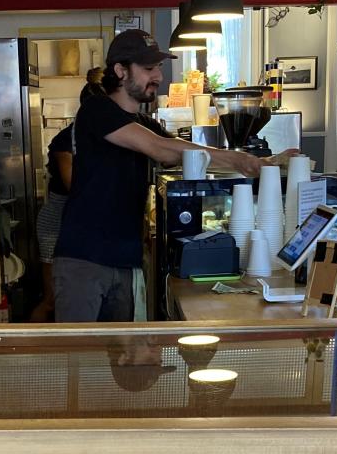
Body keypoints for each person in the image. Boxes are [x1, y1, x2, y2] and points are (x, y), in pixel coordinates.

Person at [53, 29, 294, 323]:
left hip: (127, 260)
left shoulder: (143, 122)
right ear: (120, 71)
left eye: (159, 67)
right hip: (84, 260)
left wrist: (261, 162)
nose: (158, 76)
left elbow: (188, 153)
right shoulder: (96, 109)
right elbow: (163, 150)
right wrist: (242, 161)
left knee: (128, 360)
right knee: (80, 358)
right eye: (148, 68)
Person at [30, 71, 107, 322]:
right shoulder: (66, 141)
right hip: (56, 223)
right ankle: (33, 353)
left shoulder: (101, 139)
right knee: (53, 301)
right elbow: (75, 186)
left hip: (80, 225)